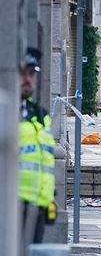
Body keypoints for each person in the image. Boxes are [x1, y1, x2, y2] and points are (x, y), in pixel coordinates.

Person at [19, 47, 56, 245]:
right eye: (23, 73)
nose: (28, 79)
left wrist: (49, 200)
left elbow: (45, 162)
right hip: (11, 207)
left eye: (32, 74)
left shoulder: (40, 115)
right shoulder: (6, 111)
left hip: (37, 210)